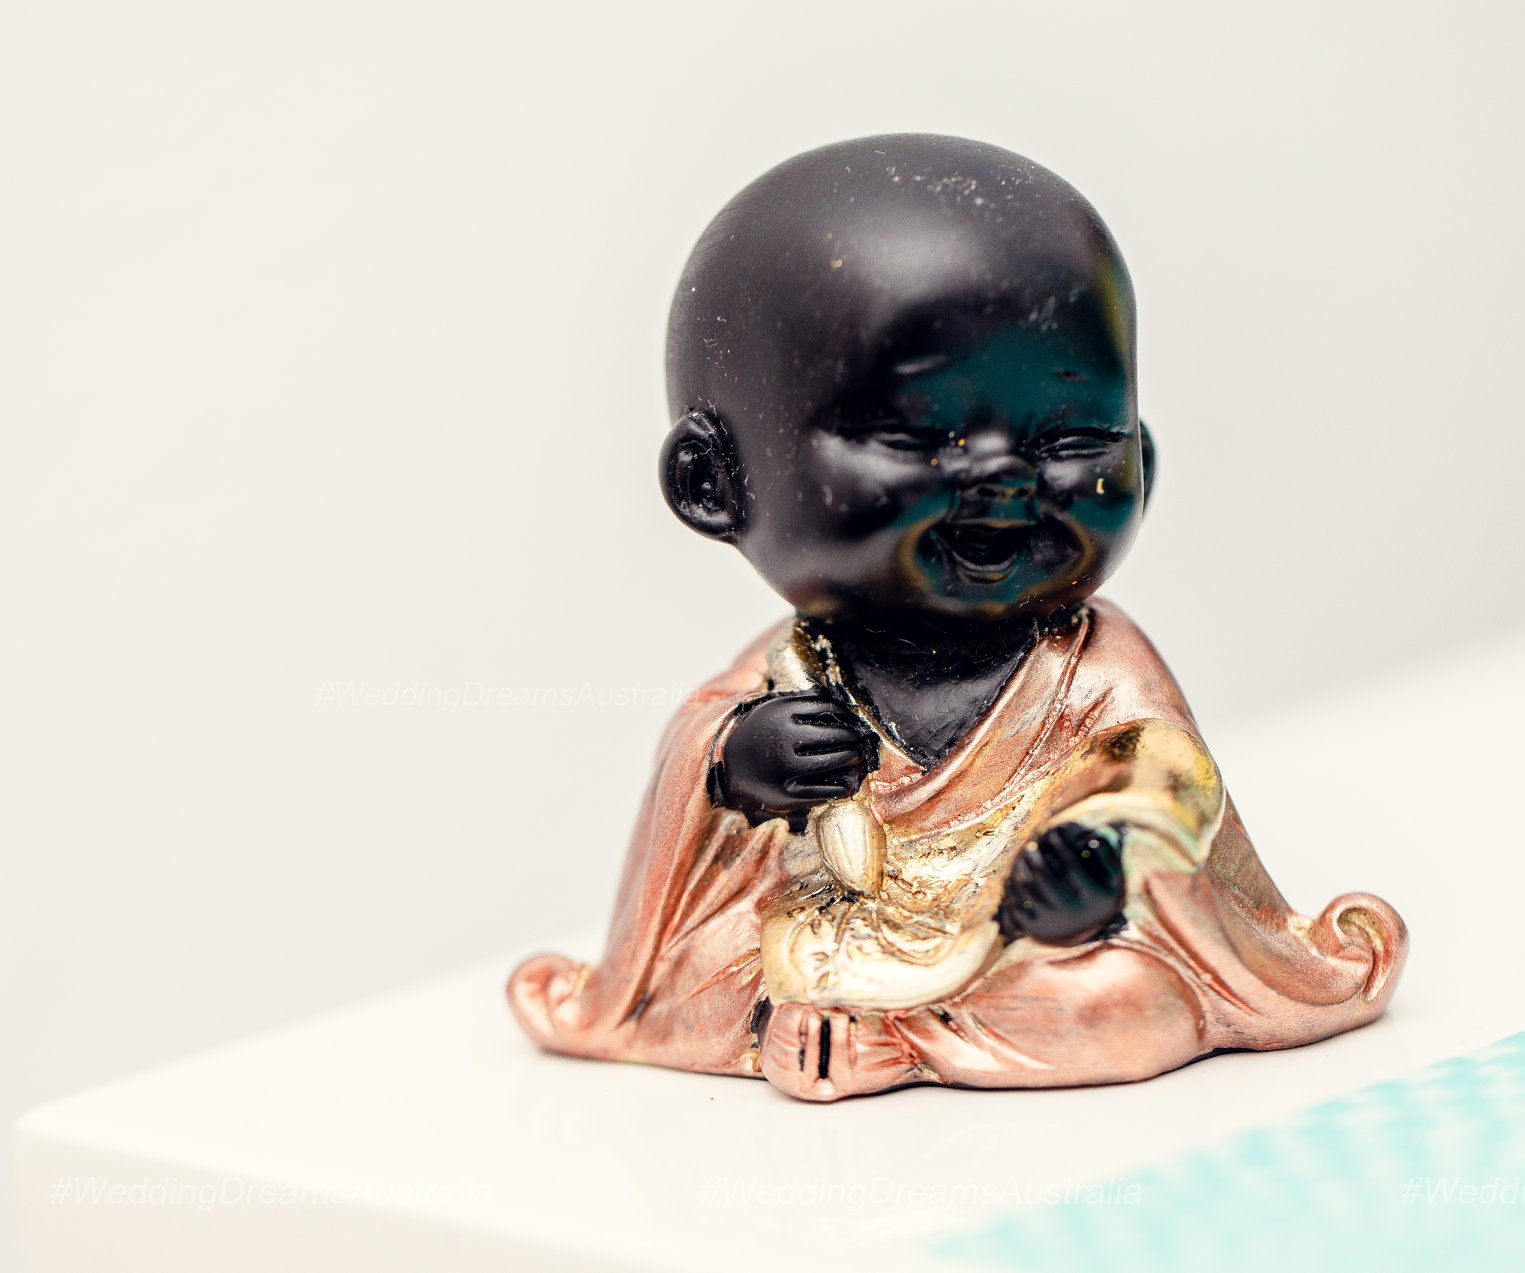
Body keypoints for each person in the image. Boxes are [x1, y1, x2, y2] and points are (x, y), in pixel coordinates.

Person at [509, 134, 1405, 1101]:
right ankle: (837, 1025)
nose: (1006, 480)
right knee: (710, 974)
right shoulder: (790, 670)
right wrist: (737, 764)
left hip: (1014, 949)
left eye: (1074, 438)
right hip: (825, 934)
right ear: (714, 485)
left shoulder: (1094, 667)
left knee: (1120, 999)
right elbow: (698, 798)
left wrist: (1094, 872)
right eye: (915, 439)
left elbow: (1164, 798)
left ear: (1141, 458)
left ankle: (873, 1041)